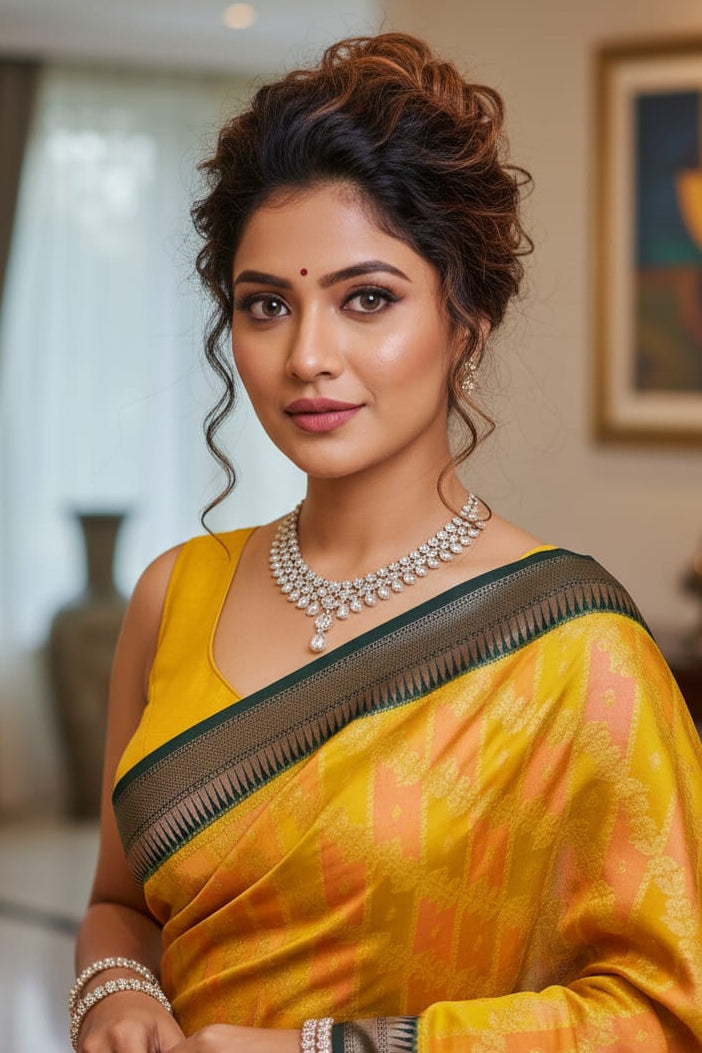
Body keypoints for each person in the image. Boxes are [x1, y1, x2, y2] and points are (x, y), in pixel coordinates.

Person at [71, 32, 702, 1053]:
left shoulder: (578, 653)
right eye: (267, 305)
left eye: (367, 299)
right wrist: (116, 993)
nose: (308, 356)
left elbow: (665, 1013)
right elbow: (119, 904)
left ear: (467, 322)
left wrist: (324, 1049)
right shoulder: (174, 594)